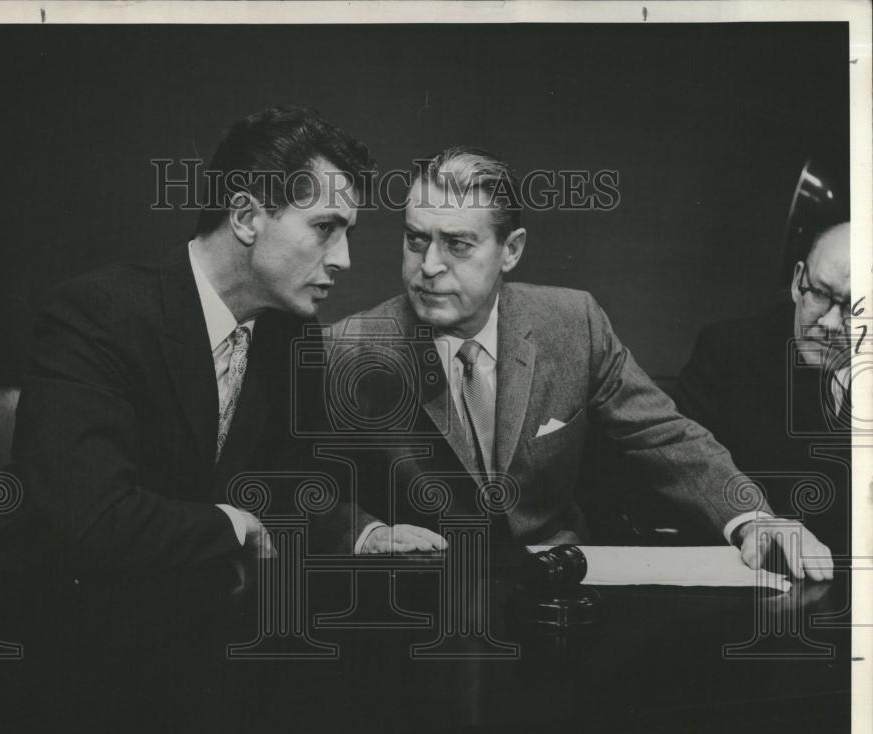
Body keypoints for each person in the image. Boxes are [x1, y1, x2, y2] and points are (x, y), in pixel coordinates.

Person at [331, 146, 833, 580]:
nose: (430, 266)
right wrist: (365, 531)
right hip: (424, 590)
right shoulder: (348, 348)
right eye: (416, 239)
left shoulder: (574, 322)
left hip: (560, 580)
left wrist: (753, 517)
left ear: (511, 250)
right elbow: (296, 486)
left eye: (458, 244)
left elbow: (665, 436)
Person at [8, 106, 377, 580]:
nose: (344, 259)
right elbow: (90, 517)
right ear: (245, 216)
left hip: (207, 623)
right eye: (325, 228)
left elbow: (293, 488)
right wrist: (233, 524)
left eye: (348, 232)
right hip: (73, 626)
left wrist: (363, 533)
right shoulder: (96, 315)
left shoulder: (290, 335)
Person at [674, 221, 852, 555]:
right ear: (799, 280)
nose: (828, 323)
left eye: (855, 309)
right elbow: (679, 472)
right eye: (820, 294)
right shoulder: (728, 351)